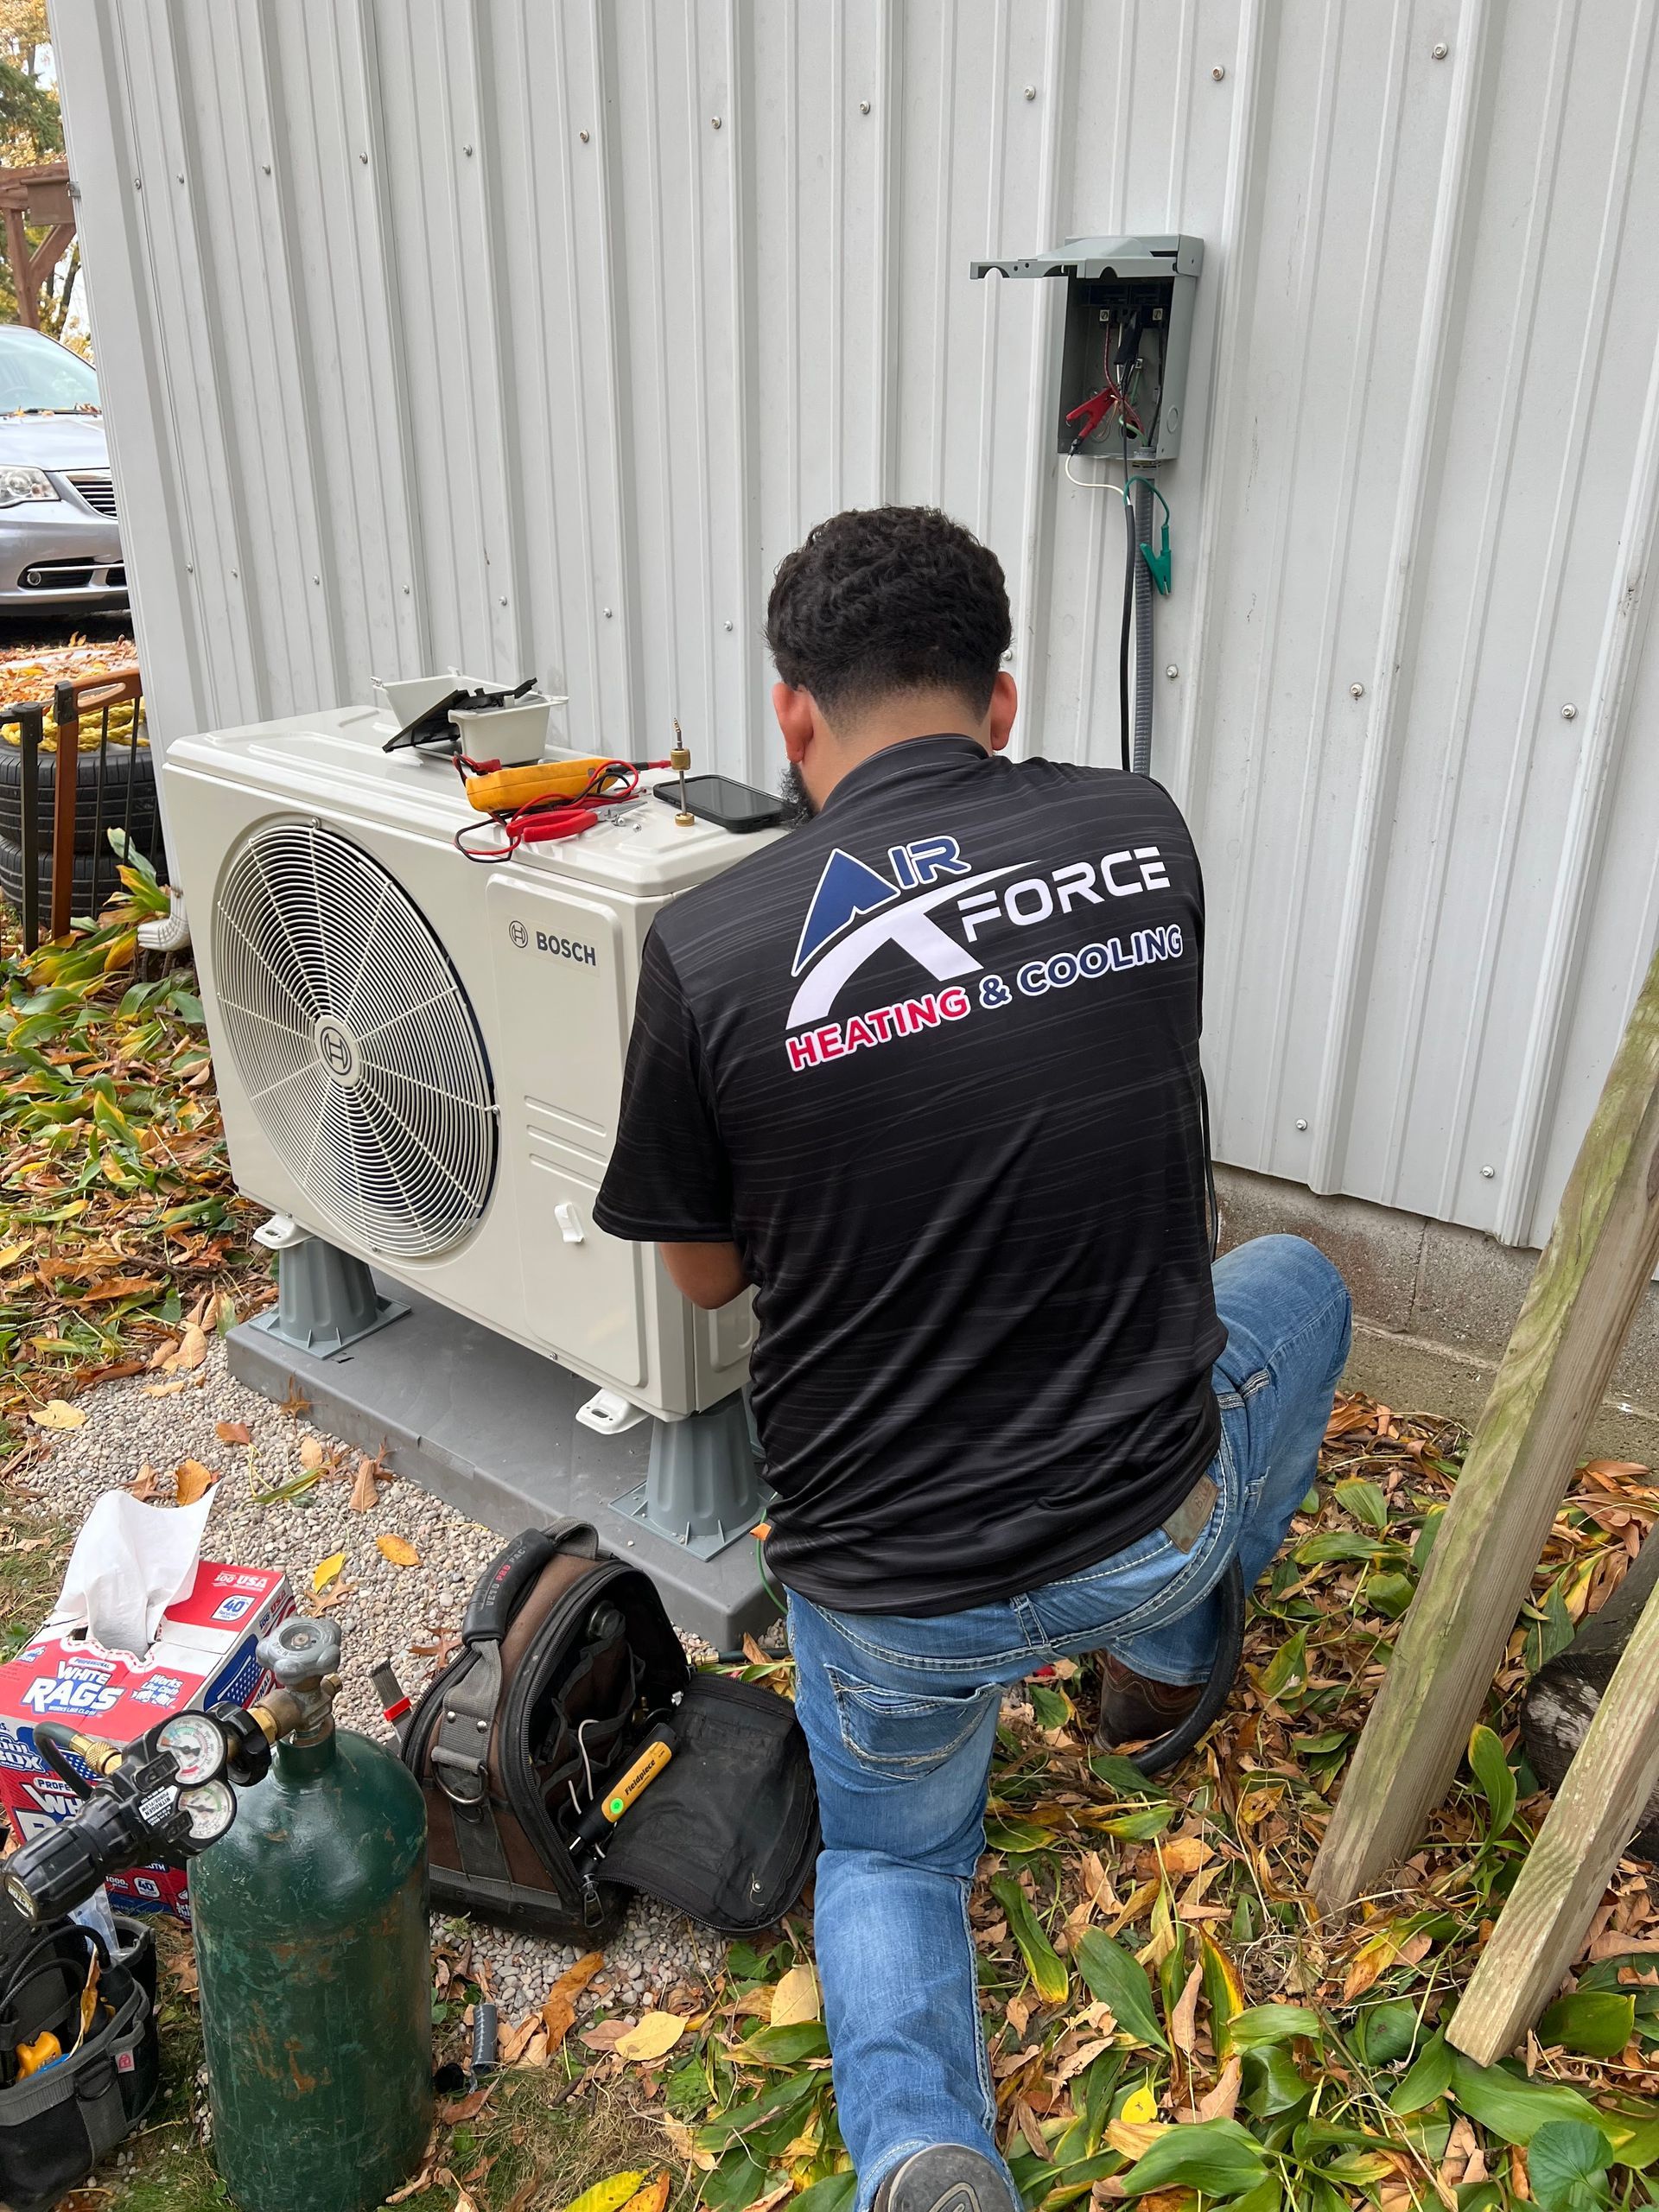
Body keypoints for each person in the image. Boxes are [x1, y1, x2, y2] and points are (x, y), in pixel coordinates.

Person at [594, 505, 1351, 2212]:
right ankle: (1159, 1658)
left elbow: (708, 1277)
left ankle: (929, 2155)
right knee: (1295, 1284)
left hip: (889, 1586)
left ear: (793, 719)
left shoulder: (710, 952)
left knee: (892, 1852)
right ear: (1001, 701)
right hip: (1139, 1511)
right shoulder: (1141, 837)